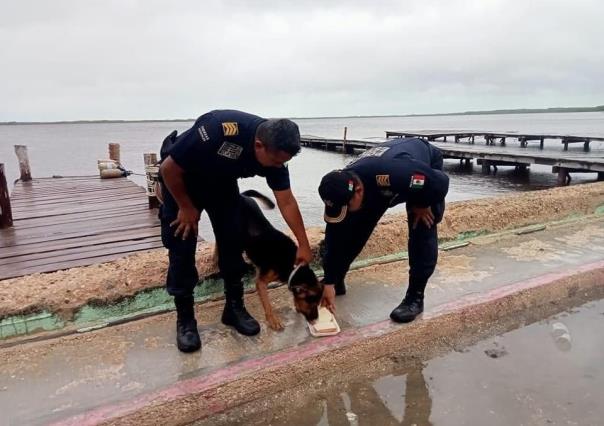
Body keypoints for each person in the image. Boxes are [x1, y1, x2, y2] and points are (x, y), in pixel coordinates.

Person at [159, 109, 312, 353]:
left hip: (221, 183)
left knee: (232, 240)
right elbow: (169, 168)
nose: (278, 167)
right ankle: (186, 320)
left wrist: (303, 244)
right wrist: (186, 207)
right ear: (259, 145)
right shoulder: (217, 129)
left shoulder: (276, 155)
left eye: (283, 163)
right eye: (275, 162)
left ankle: (234, 308)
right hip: (183, 181)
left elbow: (286, 201)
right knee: (181, 247)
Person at [318, 137, 449, 323]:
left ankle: (415, 298)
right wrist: (330, 280)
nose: (342, 212)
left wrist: (422, 202)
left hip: (424, 176)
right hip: (379, 184)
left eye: (345, 207)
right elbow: (335, 234)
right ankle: (338, 281)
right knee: (349, 228)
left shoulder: (397, 174)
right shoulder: (341, 185)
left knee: (422, 225)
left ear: (358, 191)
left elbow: (441, 182)